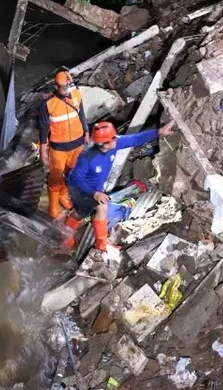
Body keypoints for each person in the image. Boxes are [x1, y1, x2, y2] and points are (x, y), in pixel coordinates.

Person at [64, 120, 174, 253]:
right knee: (93, 210)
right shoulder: (87, 157)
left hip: (96, 187)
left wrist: (158, 132)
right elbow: (75, 178)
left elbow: (135, 139)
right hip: (80, 188)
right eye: (112, 139)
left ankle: (79, 238)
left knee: (89, 211)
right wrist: (94, 193)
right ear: (102, 144)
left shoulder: (114, 143)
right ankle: (84, 241)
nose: (116, 141)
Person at [38, 70, 88, 220]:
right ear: (56, 86)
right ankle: (53, 207)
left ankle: (64, 195)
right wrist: (42, 150)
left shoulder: (76, 95)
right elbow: (43, 127)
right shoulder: (48, 104)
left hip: (77, 144)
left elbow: (82, 114)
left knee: (72, 174)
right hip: (58, 147)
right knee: (55, 178)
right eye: (63, 87)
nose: (67, 90)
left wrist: (86, 132)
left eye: (68, 86)